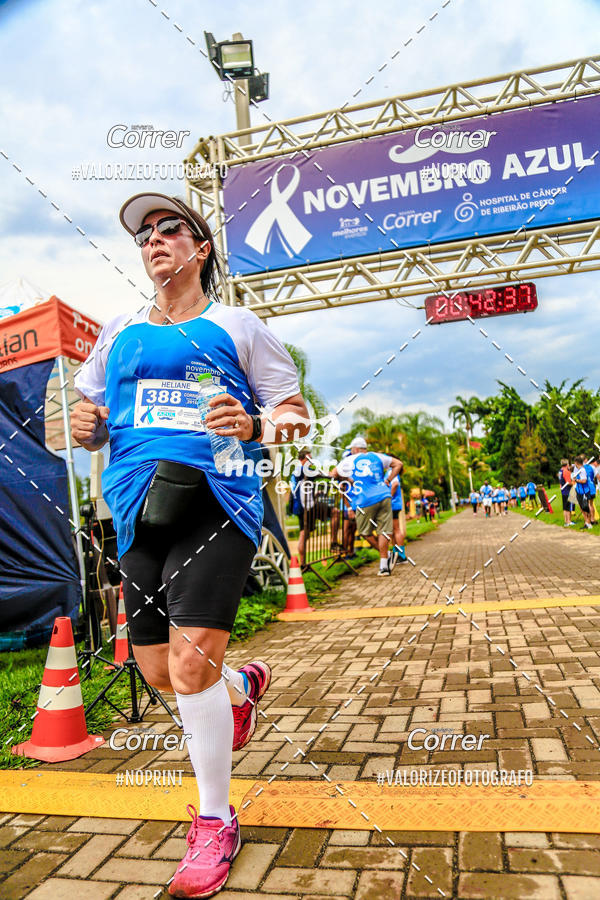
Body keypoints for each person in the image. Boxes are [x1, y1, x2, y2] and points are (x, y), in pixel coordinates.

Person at [71, 192, 309, 899]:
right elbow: (89, 413)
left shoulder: (236, 325)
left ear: (200, 248)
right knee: (160, 675)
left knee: (188, 660)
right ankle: (239, 690)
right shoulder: (117, 332)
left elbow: (296, 416)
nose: (154, 240)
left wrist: (257, 425)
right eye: (145, 234)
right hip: (139, 509)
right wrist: (85, 425)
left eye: (170, 229)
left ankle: (214, 819)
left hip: (219, 499)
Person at [334, 436, 402, 576]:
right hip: (384, 495)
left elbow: (334, 474)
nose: (351, 451)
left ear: (356, 449)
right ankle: (384, 566)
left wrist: (347, 479)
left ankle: (387, 556)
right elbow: (398, 464)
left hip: (365, 500)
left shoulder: (349, 460)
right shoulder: (377, 456)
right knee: (384, 531)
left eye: (352, 449)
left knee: (364, 532)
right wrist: (387, 480)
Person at [389, 469, 407, 563]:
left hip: (392, 504)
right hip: (393, 504)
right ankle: (397, 554)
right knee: (392, 531)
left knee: (396, 529)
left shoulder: (391, 471)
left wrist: (388, 497)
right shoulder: (390, 471)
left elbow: (395, 484)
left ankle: (401, 555)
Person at [572, 455, 593, 529]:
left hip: (584, 491)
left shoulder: (582, 470)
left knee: (586, 507)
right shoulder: (576, 469)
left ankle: (589, 523)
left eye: (575, 463)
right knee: (581, 507)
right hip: (579, 491)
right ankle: (586, 522)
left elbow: (584, 480)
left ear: (577, 463)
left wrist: (576, 480)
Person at [558, 458, 575, 527]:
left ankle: (566, 521)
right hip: (567, 490)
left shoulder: (560, 471)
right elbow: (568, 482)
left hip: (563, 490)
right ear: (567, 464)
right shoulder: (566, 471)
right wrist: (574, 482)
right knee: (568, 507)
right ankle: (568, 521)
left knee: (565, 507)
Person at [584, 458, 598, 525]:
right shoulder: (592, 467)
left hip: (586, 488)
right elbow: (598, 477)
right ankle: (592, 519)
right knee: (591, 504)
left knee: (588, 504)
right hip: (592, 487)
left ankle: (589, 520)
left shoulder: (581, 468)